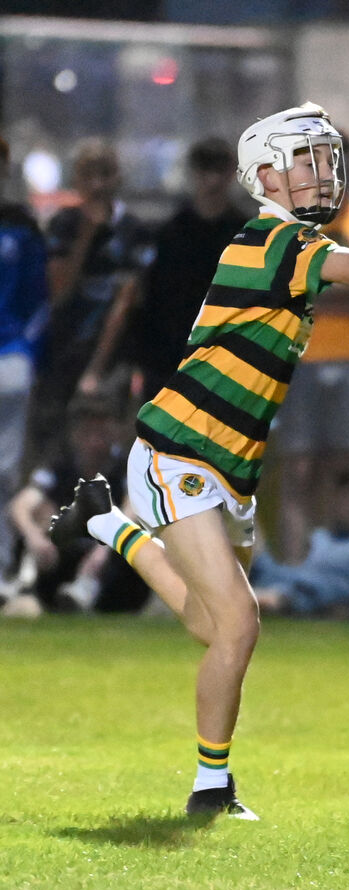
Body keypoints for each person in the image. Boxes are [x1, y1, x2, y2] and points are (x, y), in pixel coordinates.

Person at [46, 102, 349, 821]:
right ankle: (211, 788)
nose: (324, 172)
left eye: (327, 159)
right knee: (238, 626)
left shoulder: (287, 244)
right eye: (307, 160)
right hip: (181, 449)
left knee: (213, 624)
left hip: (227, 465)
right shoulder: (274, 242)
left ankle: (108, 525)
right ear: (263, 174)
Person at [271, 134, 349, 564]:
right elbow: (282, 292)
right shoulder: (291, 225)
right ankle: (295, 570)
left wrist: (319, 285)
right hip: (298, 358)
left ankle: (342, 571)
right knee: (300, 469)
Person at [31, 139, 154, 463]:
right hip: (63, 352)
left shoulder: (133, 230)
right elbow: (59, 289)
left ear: (117, 178)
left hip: (113, 359)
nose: (97, 184)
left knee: (106, 447)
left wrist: (96, 369)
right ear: (77, 179)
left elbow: (125, 302)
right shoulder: (63, 225)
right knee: (55, 449)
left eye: (105, 174)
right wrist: (86, 234)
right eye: (89, 174)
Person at [5, 393, 146, 617]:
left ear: (115, 433)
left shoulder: (125, 467)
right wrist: (35, 537)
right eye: (88, 433)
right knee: (42, 519)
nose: (94, 441)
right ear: (75, 434)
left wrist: (106, 547)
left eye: (101, 433)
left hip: (108, 557)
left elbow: (135, 508)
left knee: (125, 546)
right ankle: (24, 583)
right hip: (67, 553)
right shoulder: (59, 467)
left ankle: (86, 590)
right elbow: (21, 505)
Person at [133, 137, 248, 403]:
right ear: (193, 173)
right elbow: (151, 301)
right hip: (170, 361)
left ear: (231, 174)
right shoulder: (169, 234)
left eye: (219, 170)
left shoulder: (248, 235)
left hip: (228, 363)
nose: (212, 180)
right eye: (205, 170)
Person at [252, 461, 349, 617]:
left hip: (325, 598)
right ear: (336, 499)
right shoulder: (320, 537)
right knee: (264, 564)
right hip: (290, 581)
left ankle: (268, 597)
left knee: (314, 591)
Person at [0, 134, 48, 592]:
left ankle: (1, 570)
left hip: (8, 355)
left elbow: (39, 297)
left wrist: (26, 350)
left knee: (4, 471)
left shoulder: (19, 226)